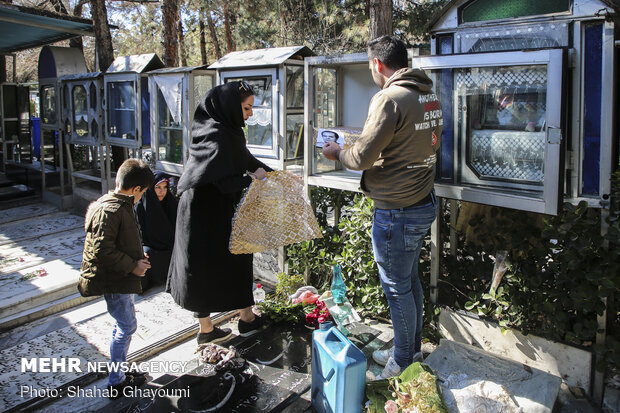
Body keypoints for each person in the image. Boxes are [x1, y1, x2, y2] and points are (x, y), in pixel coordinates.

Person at [322, 35, 442, 380]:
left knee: (395, 286)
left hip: (397, 209)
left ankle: (403, 361)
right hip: (422, 201)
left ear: (377, 64)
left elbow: (361, 158)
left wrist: (336, 152)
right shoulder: (427, 94)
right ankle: (412, 348)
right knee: (408, 281)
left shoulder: (389, 98)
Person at [167, 81, 272, 345]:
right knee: (204, 269)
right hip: (202, 215)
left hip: (220, 210)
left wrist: (271, 173)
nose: (249, 114)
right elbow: (222, 180)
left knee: (237, 262)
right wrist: (253, 180)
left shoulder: (228, 129)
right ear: (230, 106)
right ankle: (207, 330)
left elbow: (243, 158)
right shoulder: (217, 134)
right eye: (247, 108)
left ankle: (246, 317)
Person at [78, 158, 154, 396]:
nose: (142, 197)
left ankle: (118, 371)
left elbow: (119, 240)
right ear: (136, 189)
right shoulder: (112, 209)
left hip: (121, 276)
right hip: (115, 278)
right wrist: (133, 266)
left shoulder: (118, 202)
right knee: (126, 326)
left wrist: (135, 254)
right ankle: (116, 381)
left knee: (124, 324)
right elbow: (103, 250)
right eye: (143, 193)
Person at [136, 171, 178, 292]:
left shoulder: (170, 203)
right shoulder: (142, 205)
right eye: (158, 187)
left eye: (165, 187)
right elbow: (139, 234)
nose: (162, 191)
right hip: (151, 246)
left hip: (170, 244)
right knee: (146, 256)